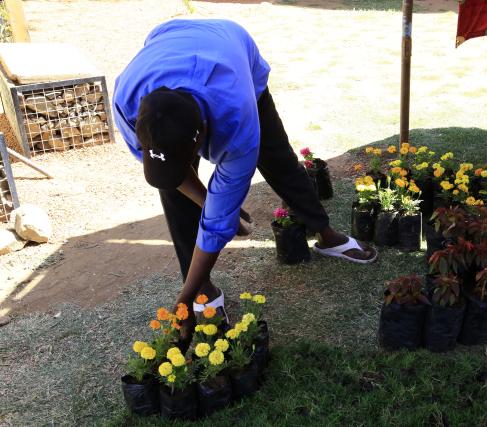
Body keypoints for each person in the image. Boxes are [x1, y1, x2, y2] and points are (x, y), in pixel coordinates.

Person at [112, 19, 377, 345]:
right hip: (170, 41)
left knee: (279, 160)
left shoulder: (236, 118)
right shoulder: (128, 102)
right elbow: (175, 176)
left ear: (204, 137)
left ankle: (326, 233)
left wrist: (182, 296)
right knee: (174, 194)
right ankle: (202, 288)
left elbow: (216, 226)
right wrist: (192, 289)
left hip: (233, 51)